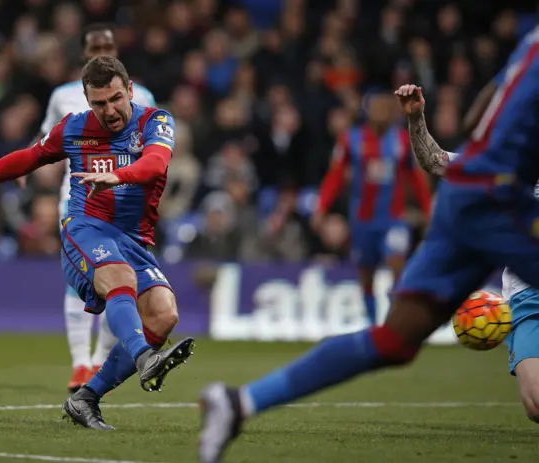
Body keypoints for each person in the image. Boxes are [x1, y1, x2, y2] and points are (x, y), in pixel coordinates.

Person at [196, 25, 539, 463]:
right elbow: (357, 173)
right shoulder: (353, 139)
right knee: (376, 290)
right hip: (495, 198)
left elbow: (474, 121)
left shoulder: (528, 44)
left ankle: (239, 403)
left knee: (395, 340)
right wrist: (323, 210)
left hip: (468, 192)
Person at [0, 55, 194, 431]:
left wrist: (117, 176)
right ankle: (145, 357)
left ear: (130, 90)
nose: (110, 109)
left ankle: (85, 398)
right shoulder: (74, 129)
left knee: (164, 314)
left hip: (134, 239)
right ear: (87, 101)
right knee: (120, 280)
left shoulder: (156, 121)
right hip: (86, 230)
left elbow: (155, 165)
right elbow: (28, 158)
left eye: (115, 98)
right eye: (99, 103)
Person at [25, 23, 157, 394]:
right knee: (82, 281)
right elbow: (46, 138)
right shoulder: (64, 96)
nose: (103, 48)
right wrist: (25, 169)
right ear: (84, 52)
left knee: (120, 282)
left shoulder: (141, 93)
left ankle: (100, 358)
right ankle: (80, 363)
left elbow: (152, 147)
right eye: (96, 45)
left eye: (108, 44)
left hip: (127, 204)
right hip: (78, 198)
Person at [395, 82, 539, 423]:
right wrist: (417, 121)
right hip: (528, 298)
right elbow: (436, 161)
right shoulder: (500, 167)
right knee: (535, 404)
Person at [312, 91, 431, 325]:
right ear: (368, 112)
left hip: (393, 218)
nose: (382, 112)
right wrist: (322, 207)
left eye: (386, 108)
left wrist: (427, 208)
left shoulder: (401, 140)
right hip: (363, 220)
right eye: (378, 107)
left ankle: (396, 320)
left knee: (397, 262)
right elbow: (335, 176)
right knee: (366, 275)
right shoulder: (351, 139)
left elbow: (414, 178)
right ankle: (370, 322)